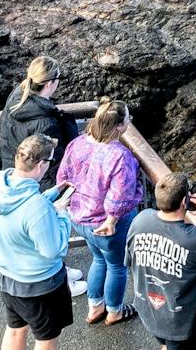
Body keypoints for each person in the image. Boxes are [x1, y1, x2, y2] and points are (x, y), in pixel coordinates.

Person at [0, 132, 86, 350]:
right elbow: (53, 250)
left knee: (14, 330)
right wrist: (61, 213)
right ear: (41, 164)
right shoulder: (35, 207)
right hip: (39, 284)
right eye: (50, 161)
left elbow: (22, 212)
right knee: (45, 339)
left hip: (7, 276)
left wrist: (51, 194)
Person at [58, 98, 146, 326]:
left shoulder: (77, 144)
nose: (129, 121)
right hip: (107, 223)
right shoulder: (119, 155)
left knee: (98, 260)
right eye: (128, 118)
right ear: (119, 126)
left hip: (80, 218)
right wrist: (112, 220)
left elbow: (64, 178)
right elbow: (120, 195)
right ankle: (115, 311)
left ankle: (95, 308)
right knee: (117, 266)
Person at [127, 172, 196, 350]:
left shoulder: (141, 220)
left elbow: (130, 259)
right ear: (185, 202)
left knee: (165, 342)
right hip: (180, 323)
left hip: (148, 309)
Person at [0, 55, 76, 187]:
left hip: (12, 175)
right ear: (49, 83)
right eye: (58, 77)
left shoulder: (16, 98)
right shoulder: (47, 122)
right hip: (37, 184)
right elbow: (51, 164)